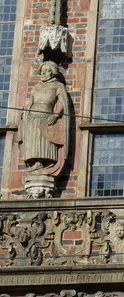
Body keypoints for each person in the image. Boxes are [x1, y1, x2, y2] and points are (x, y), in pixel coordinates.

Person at [18, 61, 70, 198]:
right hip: (32, 117)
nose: (43, 73)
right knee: (34, 142)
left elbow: (63, 103)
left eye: (46, 70)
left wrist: (55, 115)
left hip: (46, 116)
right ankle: (36, 163)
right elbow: (30, 101)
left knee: (44, 142)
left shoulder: (58, 86)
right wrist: (25, 112)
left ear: (52, 72)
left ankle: (45, 163)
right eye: (42, 71)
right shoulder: (36, 87)